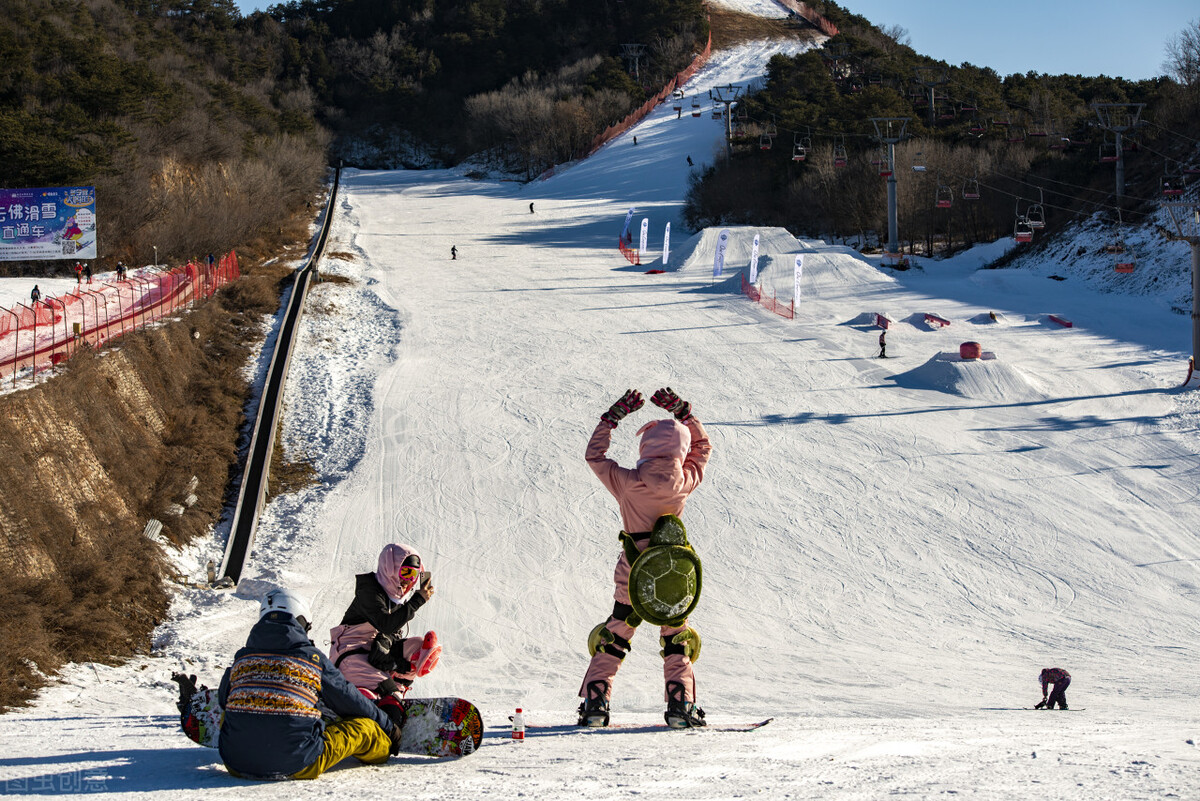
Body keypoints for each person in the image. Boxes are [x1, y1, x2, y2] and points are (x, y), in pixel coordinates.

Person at [577, 387, 712, 729]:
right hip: (674, 573)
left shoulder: (629, 482)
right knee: (676, 635)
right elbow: (704, 449)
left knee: (618, 632)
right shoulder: (684, 481)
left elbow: (595, 456)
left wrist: (611, 419)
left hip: (634, 570)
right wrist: (685, 414)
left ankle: (596, 702)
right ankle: (680, 704)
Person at [215, 588, 402, 780]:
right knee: (366, 730)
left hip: (235, 764)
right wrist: (388, 726)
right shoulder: (311, 659)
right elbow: (348, 699)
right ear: (301, 622)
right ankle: (384, 745)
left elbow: (223, 700)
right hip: (298, 763)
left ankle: (250, 739)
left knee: (232, 708)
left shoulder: (242, 658)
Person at [329, 544, 440, 717]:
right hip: (351, 657)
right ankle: (370, 698)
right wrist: (417, 600)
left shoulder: (396, 598)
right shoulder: (370, 591)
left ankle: (393, 692)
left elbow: (389, 636)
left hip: (374, 656)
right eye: (405, 573)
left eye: (414, 575)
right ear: (390, 568)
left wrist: (399, 663)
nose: (408, 580)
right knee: (386, 690)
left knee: (418, 647)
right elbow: (385, 624)